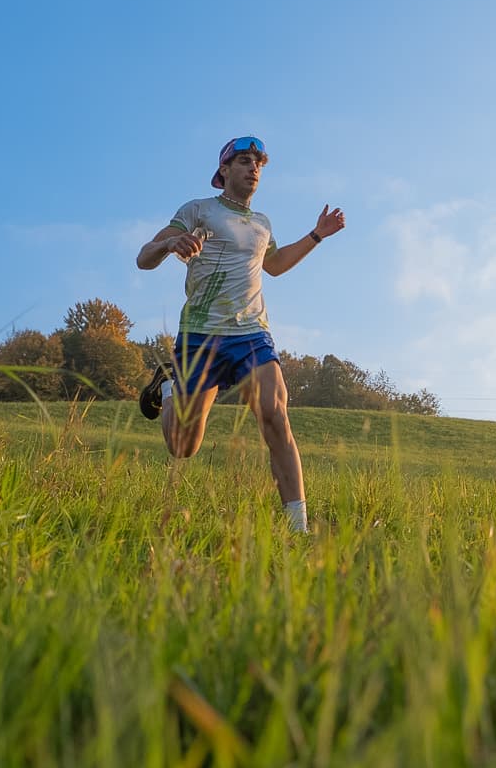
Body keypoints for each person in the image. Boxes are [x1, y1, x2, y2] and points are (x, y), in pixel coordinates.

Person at [135, 135, 345, 534]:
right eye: (245, 161)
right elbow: (143, 258)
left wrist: (317, 235)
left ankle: (297, 529)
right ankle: (168, 389)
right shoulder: (197, 210)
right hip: (199, 335)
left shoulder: (262, 224)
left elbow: (277, 265)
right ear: (224, 171)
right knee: (183, 447)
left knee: (274, 414)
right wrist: (169, 244)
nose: (253, 169)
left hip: (251, 333)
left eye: (258, 164)